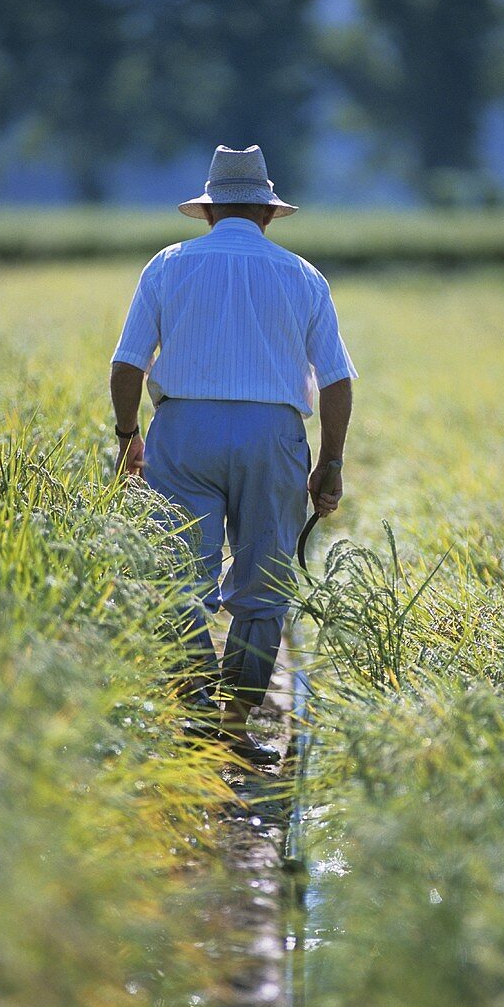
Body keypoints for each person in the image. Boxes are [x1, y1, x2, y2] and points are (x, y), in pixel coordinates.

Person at [110, 144, 357, 764]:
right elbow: (336, 380)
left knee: (177, 579)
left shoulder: (168, 266)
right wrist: (330, 461)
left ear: (211, 210)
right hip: (271, 438)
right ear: (269, 214)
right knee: (263, 583)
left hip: (183, 433)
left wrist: (126, 436)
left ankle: (193, 708)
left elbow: (126, 364)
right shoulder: (302, 276)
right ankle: (236, 718)